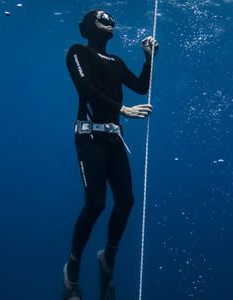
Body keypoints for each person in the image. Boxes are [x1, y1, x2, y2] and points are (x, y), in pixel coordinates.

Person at [62, 9, 159, 300]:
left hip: (114, 139)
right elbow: (86, 89)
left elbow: (141, 87)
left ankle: (108, 257)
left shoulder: (116, 62)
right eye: (103, 20)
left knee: (126, 200)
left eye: (112, 20)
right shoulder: (78, 52)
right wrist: (122, 110)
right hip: (89, 136)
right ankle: (73, 269)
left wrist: (148, 58)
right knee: (95, 204)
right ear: (89, 26)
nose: (110, 23)